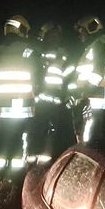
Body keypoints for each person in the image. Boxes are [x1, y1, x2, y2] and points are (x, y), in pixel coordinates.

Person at [0, 14, 39, 177]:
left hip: (1, 105)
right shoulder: (28, 50)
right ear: (22, 29)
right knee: (18, 142)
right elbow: (37, 74)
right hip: (22, 105)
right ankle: (15, 178)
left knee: (0, 142)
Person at [32, 21, 75, 162]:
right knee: (35, 130)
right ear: (44, 36)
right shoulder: (37, 53)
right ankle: (31, 161)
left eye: (57, 36)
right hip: (38, 101)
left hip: (56, 101)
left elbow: (69, 76)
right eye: (51, 35)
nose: (54, 38)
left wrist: (66, 95)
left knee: (52, 132)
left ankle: (45, 162)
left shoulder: (64, 55)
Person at [68, 15, 105, 142]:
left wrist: (84, 93)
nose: (79, 35)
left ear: (91, 29)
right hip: (91, 97)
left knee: (90, 138)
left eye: (81, 31)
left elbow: (98, 73)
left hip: (94, 98)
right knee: (86, 135)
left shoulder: (99, 45)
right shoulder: (94, 46)